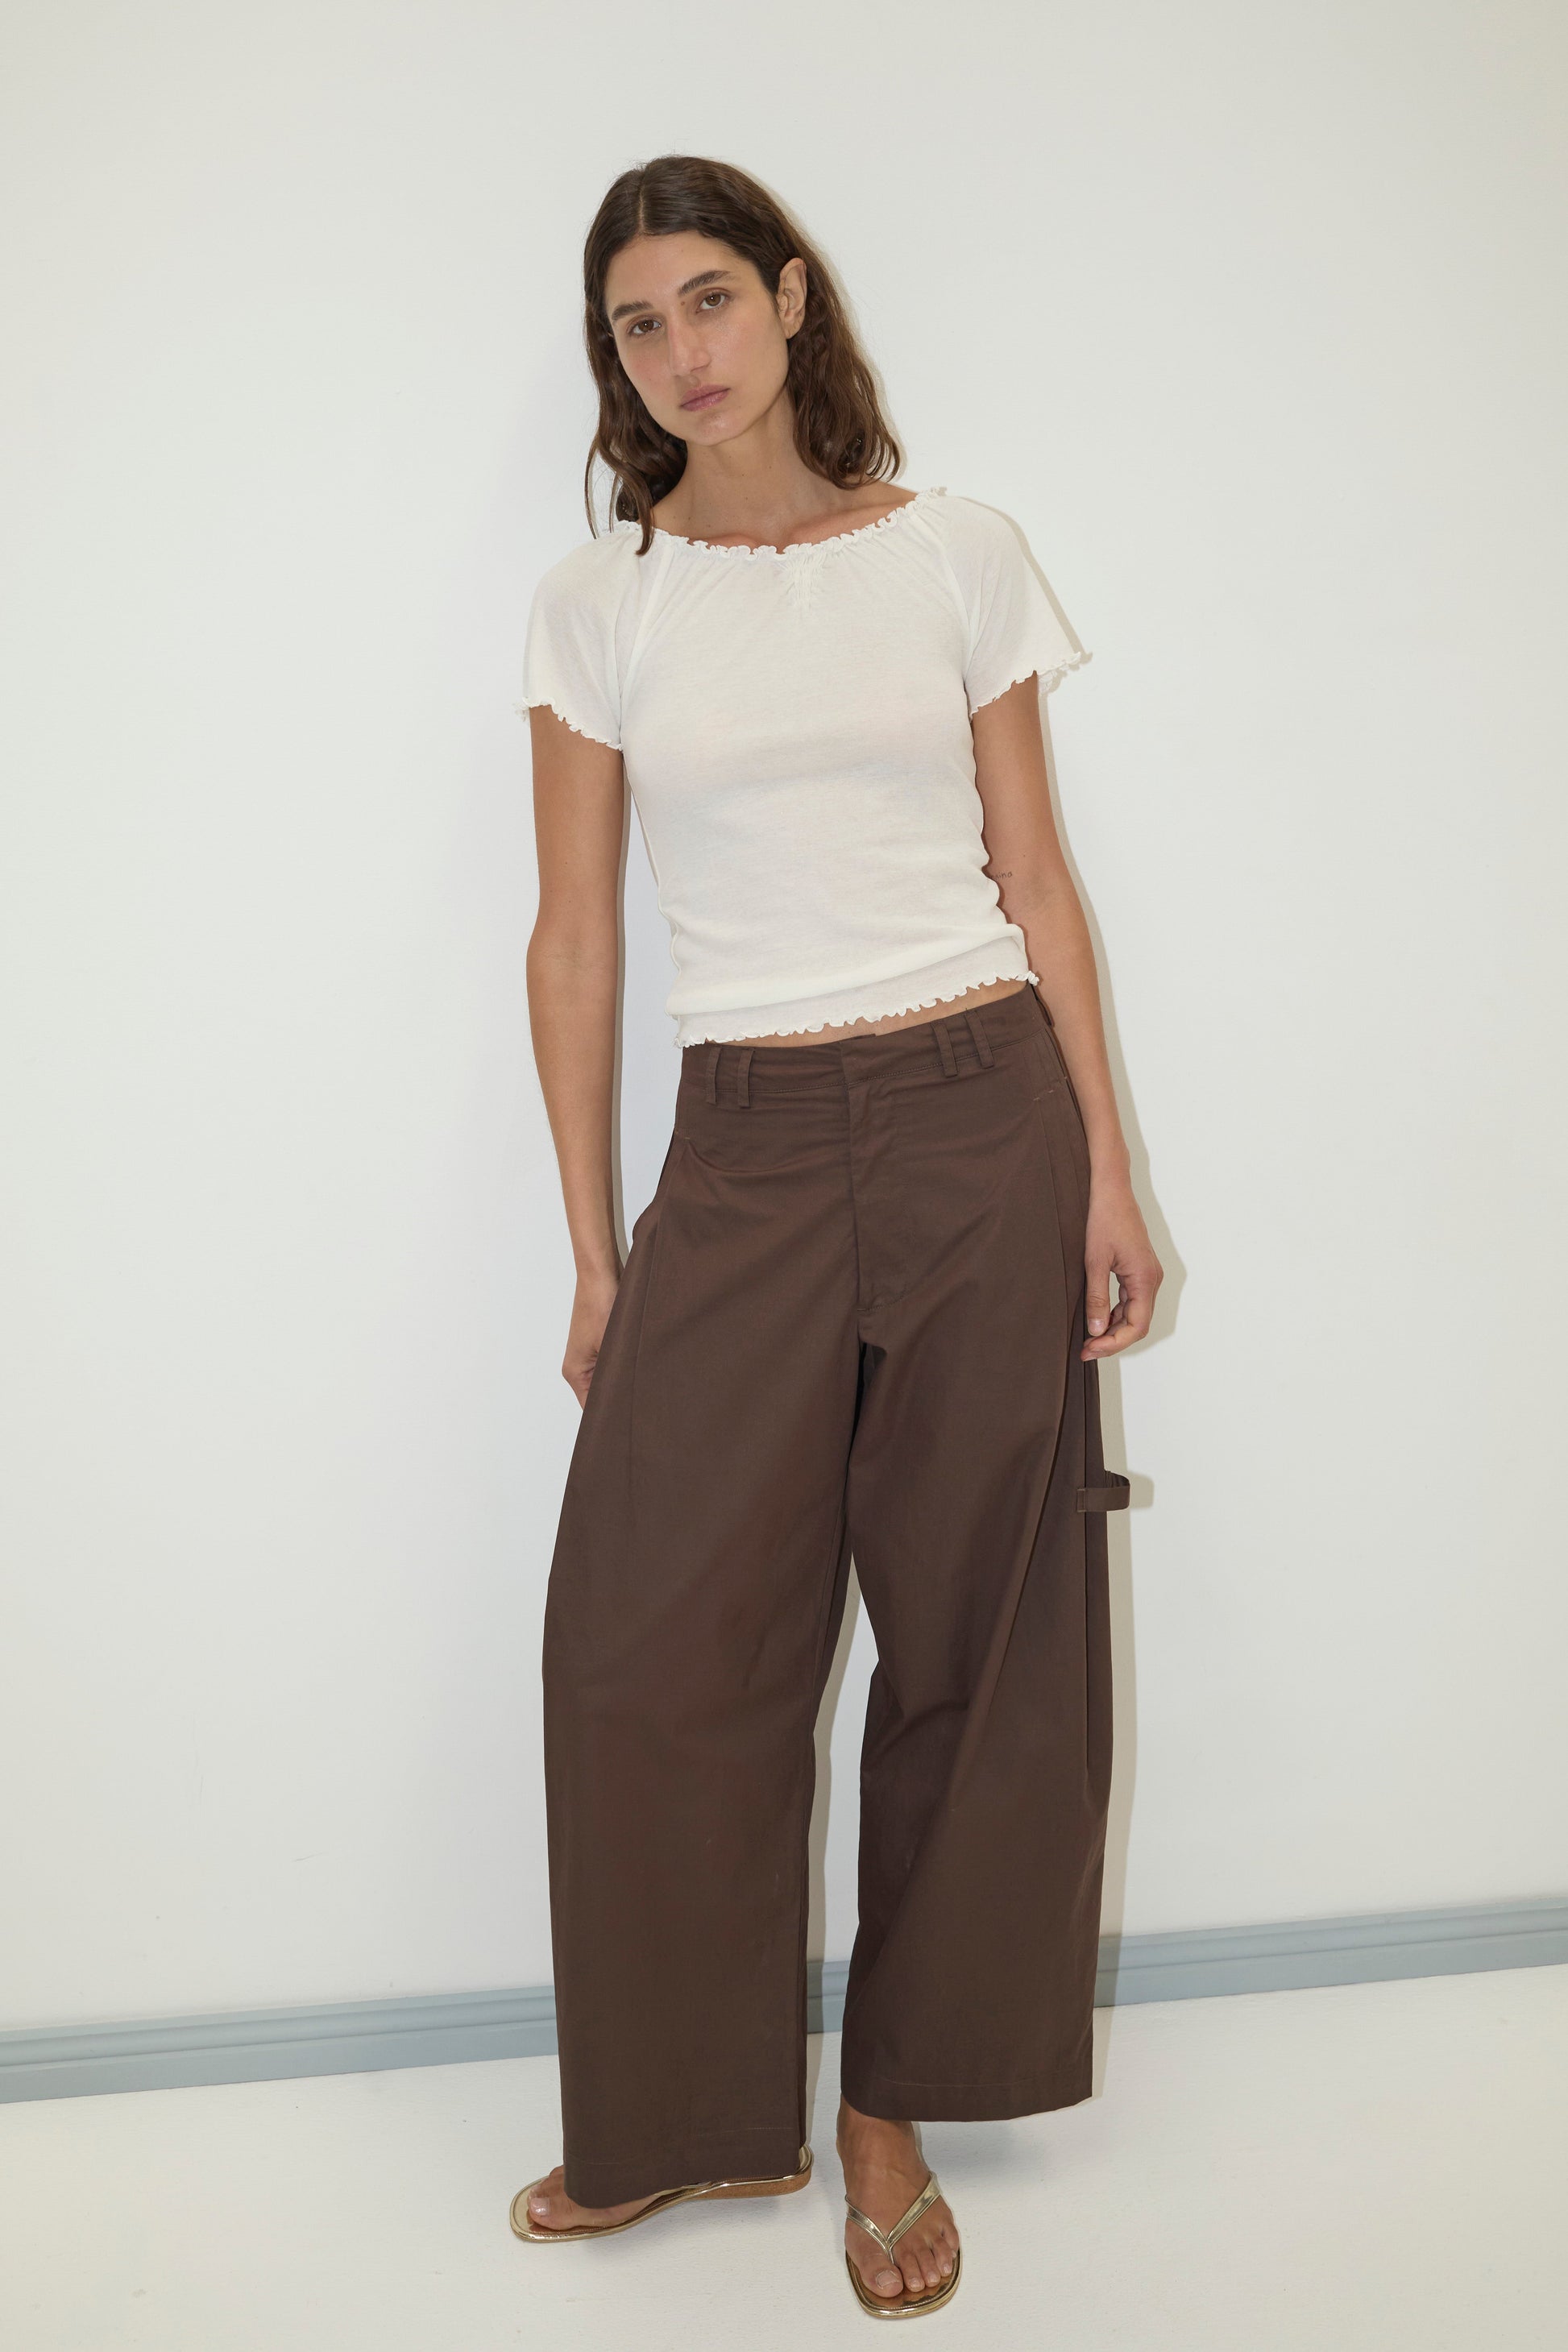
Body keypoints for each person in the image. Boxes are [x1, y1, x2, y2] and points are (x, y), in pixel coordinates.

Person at [510, 153, 1162, 2319]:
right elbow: (576, 939)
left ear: (790, 301)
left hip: (980, 1105)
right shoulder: (600, 605)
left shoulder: (957, 553)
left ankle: (894, 2108)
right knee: (645, 1650)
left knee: (984, 1631)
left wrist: (1107, 1170)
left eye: (709, 298)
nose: (680, 353)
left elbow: (1034, 877)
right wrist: (596, 1252)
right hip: (750, 1140)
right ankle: (678, 2115)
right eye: (636, 324)